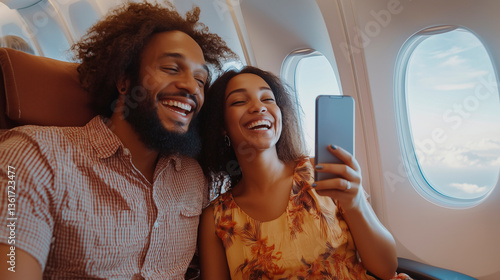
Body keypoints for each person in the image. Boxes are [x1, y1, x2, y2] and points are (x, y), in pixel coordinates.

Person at [0, 1, 234, 279]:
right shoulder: (33, 157)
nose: (190, 87)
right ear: (124, 81)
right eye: (171, 68)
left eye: (200, 79)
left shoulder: (194, 177)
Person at [197, 66, 410, 280]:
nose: (258, 107)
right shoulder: (217, 219)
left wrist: (355, 203)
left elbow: (386, 268)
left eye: (268, 99)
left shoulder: (321, 172)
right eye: (239, 101)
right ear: (222, 124)